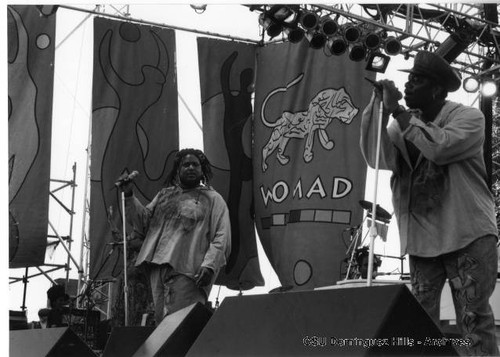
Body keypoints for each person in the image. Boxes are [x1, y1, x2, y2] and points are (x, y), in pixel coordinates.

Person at [360, 50, 499, 356]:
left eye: (417, 80)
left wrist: (398, 112)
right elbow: (376, 156)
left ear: (437, 89)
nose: (408, 86)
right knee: (420, 321)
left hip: (467, 235)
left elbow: (440, 147)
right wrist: (380, 108)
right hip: (423, 241)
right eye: (408, 79)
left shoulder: (468, 118)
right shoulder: (401, 124)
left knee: (472, 320)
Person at [122, 148, 231, 325]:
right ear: (177, 170)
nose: (190, 168)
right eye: (185, 165)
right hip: (158, 268)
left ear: (202, 170)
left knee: (182, 326)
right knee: (163, 327)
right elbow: (143, 222)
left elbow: (222, 235)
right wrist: (128, 194)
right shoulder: (165, 195)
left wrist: (210, 265)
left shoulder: (213, 199)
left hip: (189, 271)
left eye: (195, 165)